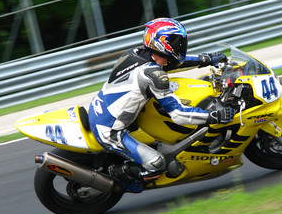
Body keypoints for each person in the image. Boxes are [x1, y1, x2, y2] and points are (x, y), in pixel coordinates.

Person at [88, 18, 234, 189]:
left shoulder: (136, 54)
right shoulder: (153, 75)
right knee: (157, 163)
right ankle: (120, 174)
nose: (181, 45)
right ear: (163, 42)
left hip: (101, 109)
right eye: (176, 41)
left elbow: (174, 63)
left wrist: (207, 59)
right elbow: (179, 115)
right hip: (109, 130)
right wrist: (213, 116)